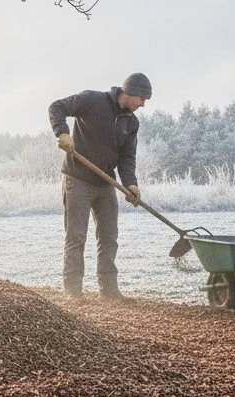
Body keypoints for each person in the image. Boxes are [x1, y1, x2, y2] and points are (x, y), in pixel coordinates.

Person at [48, 73, 150, 300]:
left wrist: (131, 184)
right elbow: (57, 107)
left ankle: (109, 291)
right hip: (77, 179)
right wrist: (62, 132)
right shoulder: (93, 100)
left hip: (105, 184)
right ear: (130, 92)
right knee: (76, 237)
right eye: (142, 99)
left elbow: (127, 158)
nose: (143, 104)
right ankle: (73, 292)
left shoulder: (131, 122)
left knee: (109, 238)